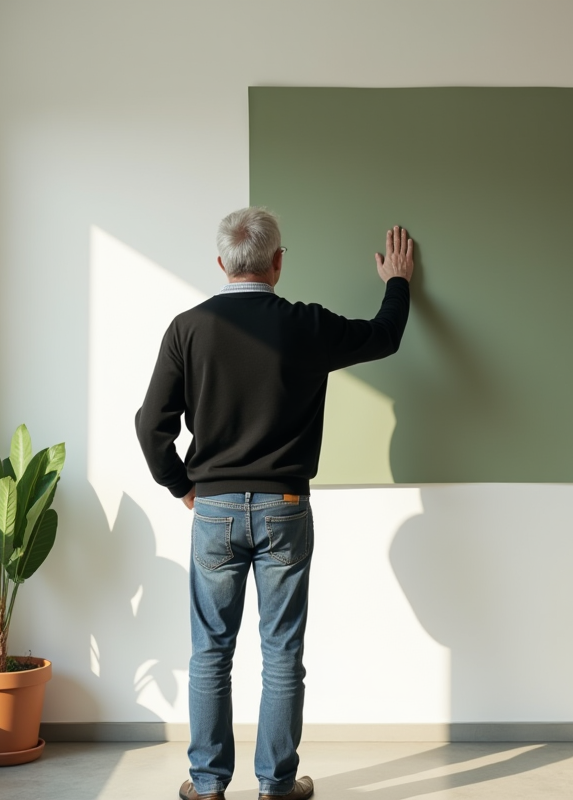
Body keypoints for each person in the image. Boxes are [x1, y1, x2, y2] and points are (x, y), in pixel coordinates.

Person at [135, 207, 414, 800]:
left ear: (221, 264)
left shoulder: (188, 327)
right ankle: (276, 785)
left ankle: (208, 785)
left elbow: (149, 425)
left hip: (212, 511)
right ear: (278, 263)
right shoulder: (305, 325)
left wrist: (183, 486)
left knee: (211, 650)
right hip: (286, 505)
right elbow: (383, 336)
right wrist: (398, 281)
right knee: (281, 650)